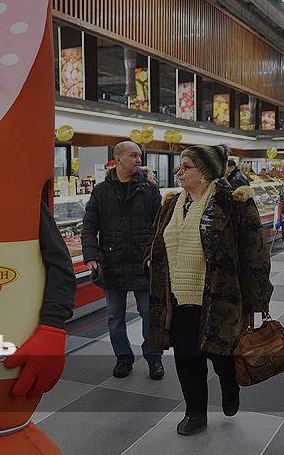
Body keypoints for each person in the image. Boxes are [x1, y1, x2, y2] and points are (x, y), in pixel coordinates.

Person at [145, 145, 272, 436]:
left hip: (220, 298)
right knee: (187, 359)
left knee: (221, 356)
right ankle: (195, 413)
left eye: (186, 166)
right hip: (178, 300)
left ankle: (229, 384)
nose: (179, 171)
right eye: (180, 166)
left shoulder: (234, 203)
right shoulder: (171, 204)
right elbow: (154, 239)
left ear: (205, 172)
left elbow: (255, 252)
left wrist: (257, 298)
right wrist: (150, 260)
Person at [82, 141, 165, 380]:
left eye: (140, 155)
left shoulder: (149, 190)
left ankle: (154, 357)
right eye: (133, 155)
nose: (139, 160)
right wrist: (91, 256)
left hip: (143, 262)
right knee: (115, 317)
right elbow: (89, 226)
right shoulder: (101, 191)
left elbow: (160, 226)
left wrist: (156, 255)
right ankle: (123, 358)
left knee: (149, 314)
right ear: (118, 159)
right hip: (111, 261)